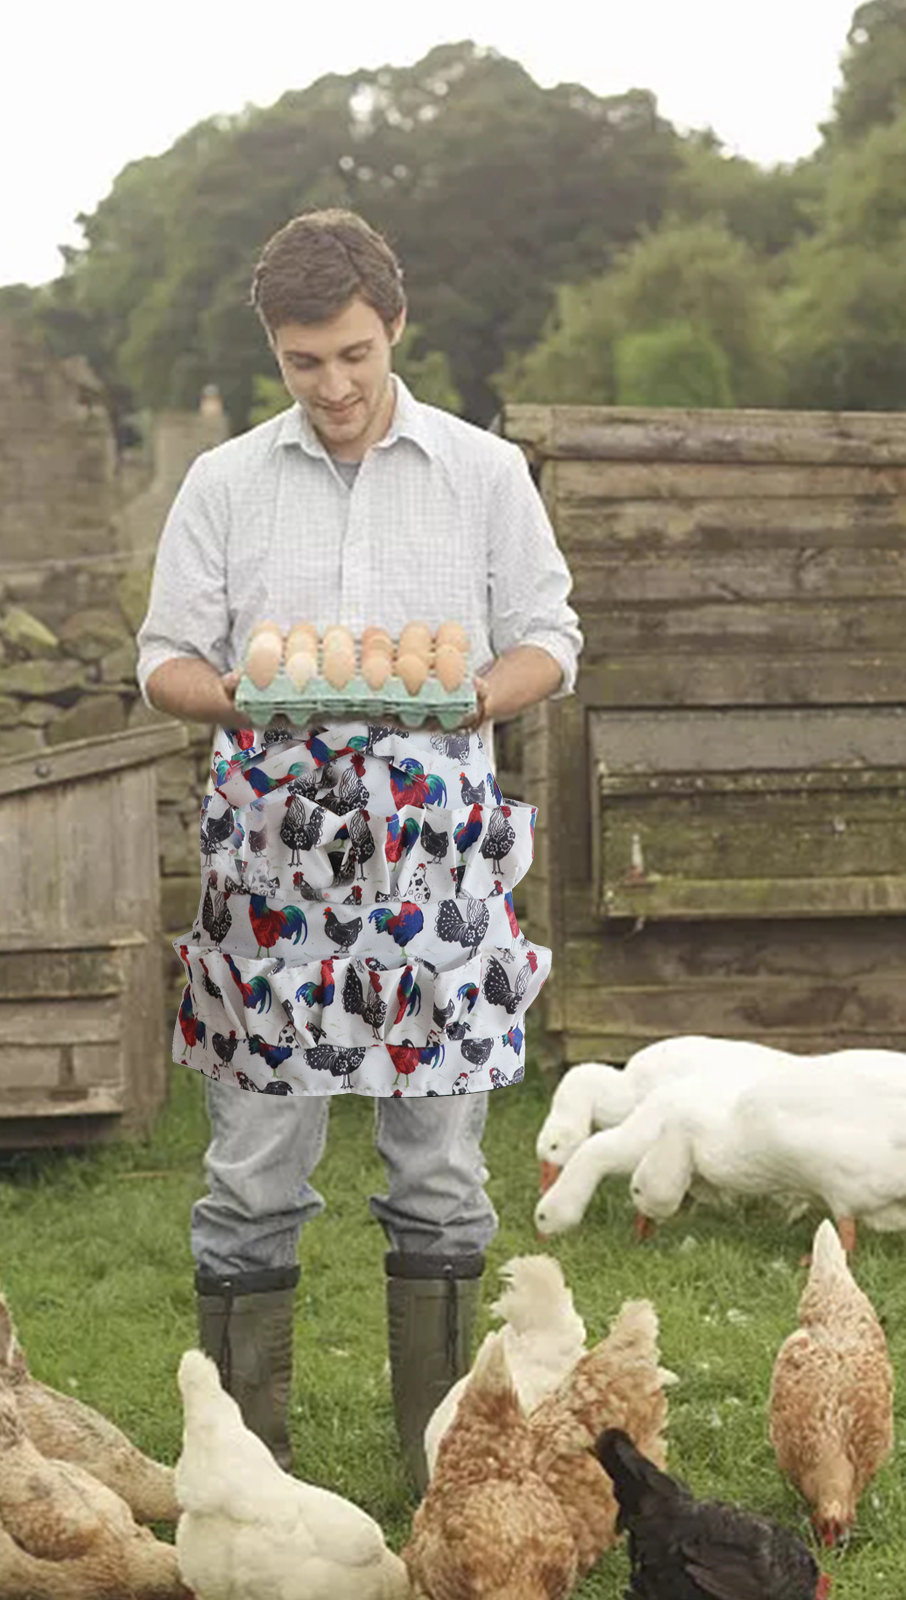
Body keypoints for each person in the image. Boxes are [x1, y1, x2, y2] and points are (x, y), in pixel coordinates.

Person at [135, 208, 582, 1492]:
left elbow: (552, 636)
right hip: (270, 872)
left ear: (394, 325)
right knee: (250, 1175)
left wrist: (473, 696)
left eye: (351, 355)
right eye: (301, 362)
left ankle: (443, 1476)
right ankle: (248, 1479)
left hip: (435, 872)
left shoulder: (483, 473)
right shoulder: (224, 482)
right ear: (272, 351)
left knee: (439, 1172)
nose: (330, 386)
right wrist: (240, 694)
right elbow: (161, 659)